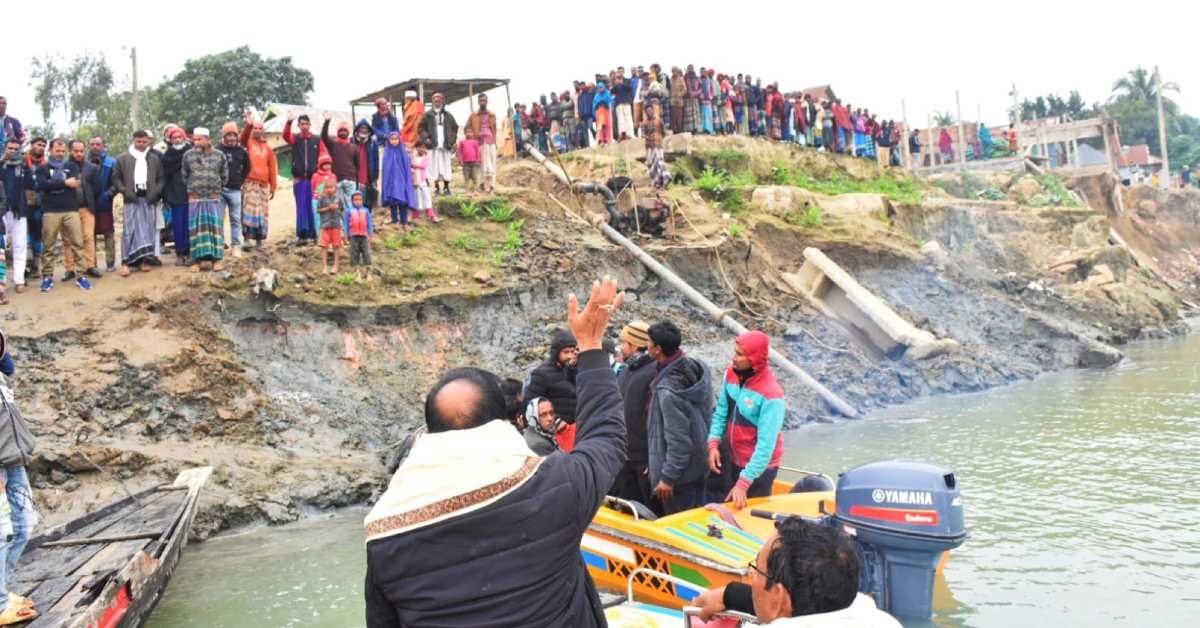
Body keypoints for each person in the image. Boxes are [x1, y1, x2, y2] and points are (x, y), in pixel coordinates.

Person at [363, 276, 626, 628]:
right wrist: (592, 345)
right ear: (505, 421)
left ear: (429, 433)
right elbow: (606, 437)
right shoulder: (553, 489)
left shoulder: (385, 535)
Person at [691, 517, 901, 627]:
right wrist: (731, 595)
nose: (752, 579)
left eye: (756, 570)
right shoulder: (883, 622)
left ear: (779, 597)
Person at [707, 331, 786, 509]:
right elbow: (721, 412)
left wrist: (743, 483)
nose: (734, 358)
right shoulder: (731, 374)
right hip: (734, 459)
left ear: (755, 359)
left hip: (760, 469)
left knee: (751, 514)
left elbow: (766, 447)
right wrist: (713, 444)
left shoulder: (772, 395)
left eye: (740, 354)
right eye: (735, 352)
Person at [645, 321, 712, 515]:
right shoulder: (698, 369)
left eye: (649, 342)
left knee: (681, 525)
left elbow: (679, 441)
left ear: (658, 349)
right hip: (700, 463)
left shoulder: (668, 391)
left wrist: (667, 477)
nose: (646, 345)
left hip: (679, 479)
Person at [0, 329, 41, 624]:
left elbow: (9, 368)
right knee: (2, 533)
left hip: (13, 459)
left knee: (25, 525)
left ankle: (2, 591)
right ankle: (0, 605)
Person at [33, 139, 88, 291]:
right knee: (49, 246)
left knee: (78, 243)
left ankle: (81, 276)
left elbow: (75, 183)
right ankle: (47, 277)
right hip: (50, 211)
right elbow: (42, 185)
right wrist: (64, 183)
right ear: (50, 151)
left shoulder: (72, 166)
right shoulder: (42, 168)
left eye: (63, 151)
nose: (60, 154)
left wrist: (54, 184)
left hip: (71, 209)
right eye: (57, 151)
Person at [612, 321, 655, 505]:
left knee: (649, 507)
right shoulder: (627, 370)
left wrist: (653, 459)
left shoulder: (653, 372)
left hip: (644, 460)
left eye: (623, 342)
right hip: (626, 455)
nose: (619, 347)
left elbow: (655, 421)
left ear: (635, 345)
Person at [112, 130, 164, 275]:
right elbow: (116, 178)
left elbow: (161, 178)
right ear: (133, 140)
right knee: (130, 230)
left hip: (149, 199)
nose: (141, 144)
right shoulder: (122, 158)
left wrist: (156, 192)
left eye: (144, 142)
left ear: (148, 142)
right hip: (131, 200)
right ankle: (125, 263)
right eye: (138, 142)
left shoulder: (154, 158)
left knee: (148, 230)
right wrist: (124, 190)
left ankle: (144, 261)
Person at [181, 127, 228, 273]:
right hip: (195, 198)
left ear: (208, 140)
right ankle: (196, 260)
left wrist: (216, 190)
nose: (196, 142)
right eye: (194, 139)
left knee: (215, 229)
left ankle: (216, 260)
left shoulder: (219, 155)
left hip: (213, 198)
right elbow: (184, 175)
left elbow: (225, 175)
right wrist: (192, 190)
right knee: (196, 229)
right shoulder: (188, 155)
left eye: (199, 139)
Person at [238, 112, 278, 253]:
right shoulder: (247, 144)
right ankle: (247, 240)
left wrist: (273, 186)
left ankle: (259, 241)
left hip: (262, 186)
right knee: (248, 212)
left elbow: (272, 168)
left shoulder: (268, 149)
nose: (258, 130)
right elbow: (242, 138)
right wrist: (248, 125)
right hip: (249, 183)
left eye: (260, 128)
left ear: (264, 131)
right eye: (255, 128)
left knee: (261, 215)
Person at [65, 140, 102, 279]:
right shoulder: (64, 167)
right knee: (69, 239)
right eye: (76, 151)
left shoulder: (91, 167)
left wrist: (89, 199)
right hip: (69, 209)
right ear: (70, 151)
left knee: (88, 237)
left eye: (81, 151)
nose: (79, 154)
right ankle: (70, 268)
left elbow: (97, 188)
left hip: (87, 208)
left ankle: (90, 266)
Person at [283, 111, 322, 244]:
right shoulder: (295, 139)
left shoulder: (317, 140)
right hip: (299, 180)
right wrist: (289, 121)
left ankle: (314, 233)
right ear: (298, 126)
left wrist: (323, 176)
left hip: (314, 181)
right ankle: (301, 235)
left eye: (306, 123)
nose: (304, 126)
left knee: (314, 206)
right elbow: (285, 135)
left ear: (309, 125)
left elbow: (323, 157)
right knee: (301, 207)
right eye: (302, 124)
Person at [526, 329, 579, 426]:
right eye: (566, 352)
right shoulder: (542, 373)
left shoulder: (571, 369)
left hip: (573, 429)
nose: (570, 356)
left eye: (572, 351)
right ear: (556, 352)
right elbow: (531, 404)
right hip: (554, 430)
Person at [1, 139, 30, 292]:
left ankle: (19, 280)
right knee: (1, 248)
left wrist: (27, 165)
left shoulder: (23, 165)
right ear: (5, 148)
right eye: (10, 148)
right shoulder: (2, 164)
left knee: (20, 245)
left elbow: (31, 183)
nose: (12, 151)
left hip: (19, 210)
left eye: (15, 149)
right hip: (2, 211)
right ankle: (1, 282)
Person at [216, 123, 249, 258]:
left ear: (237, 136)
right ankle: (219, 245)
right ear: (224, 136)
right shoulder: (217, 150)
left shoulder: (242, 151)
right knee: (218, 219)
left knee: (235, 219)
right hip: (220, 190)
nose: (231, 138)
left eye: (233, 135)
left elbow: (247, 168)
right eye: (228, 135)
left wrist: (240, 182)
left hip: (235, 190)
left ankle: (236, 246)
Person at [87, 137, 118, 271]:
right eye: (92, 144)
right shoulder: (84, 163)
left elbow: (116, 183)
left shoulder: (112, 162)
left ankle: (110, 263)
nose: (95, 146)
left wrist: (107, 195)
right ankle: (91, 264)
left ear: (104, 146)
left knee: (109, 234)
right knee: (89, 235)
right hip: (88, 205)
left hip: (105, 205)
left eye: (98, 144)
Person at [321, 113, 360, 216]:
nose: (343, 131)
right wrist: (327, 121)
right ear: (338, 132)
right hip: (336, 180)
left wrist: (357, 181)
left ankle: (350, 225)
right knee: (338, 205)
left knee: (351, 204)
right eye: (341, 130)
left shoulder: (354, 148)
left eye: (345, 130)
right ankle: (341, 227)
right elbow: (324, 137)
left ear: (348, 132)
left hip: (350, 181)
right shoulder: (333, 144)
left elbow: (357, 166)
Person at [419, 93, 458, 196]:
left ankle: (446, 188)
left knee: (446, 166)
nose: (437, 103)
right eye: (435, 101)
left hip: (445, 145)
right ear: (432, 102)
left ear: (443, 102)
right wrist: (426, 137)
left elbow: (455, 128)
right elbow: (421, 128)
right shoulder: (427, 115)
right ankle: (436, 188)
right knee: (433, 167)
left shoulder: (448, 115)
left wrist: (452, 140)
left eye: (439, 101)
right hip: (433, 145)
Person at [161, 127, 191, 264]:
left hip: (191, 194)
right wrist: (166, 196)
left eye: (179, 137)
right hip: (175, 194)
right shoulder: (168, 155)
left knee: (191, 224)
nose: (177, 140)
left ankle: (191, 252)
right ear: (170, 140)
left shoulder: (191, 152)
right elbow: (165, 176)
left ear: (184, 137)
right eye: (174, 138)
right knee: (178, 225)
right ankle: (180, 253)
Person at [380, 132, 415, 229]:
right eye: (392, 139)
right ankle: (395, 221)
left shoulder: (403, 152)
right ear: (389, 140)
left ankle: (404, 222)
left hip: (401, 182)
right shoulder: (387, 153)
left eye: (396, 139)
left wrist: (406, 181)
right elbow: (385, 170)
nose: (394, 141)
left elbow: (407, 169)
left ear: (399, 140)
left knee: (403, 202)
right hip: (391, 182)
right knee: (393, 203)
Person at [23, 137, 47, 279]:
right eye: (38, 144)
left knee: (37, 234)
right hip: (23, 204)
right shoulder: (22, 161)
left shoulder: (46, 164)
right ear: (32, 145)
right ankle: (25, 265)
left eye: (44, 145)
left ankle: (36, 267)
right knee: (24, 236)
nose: (41, 147)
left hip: (40, 204)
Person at [466, 94, 498, 193]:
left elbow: (495, 129)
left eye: (484, 100)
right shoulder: (473, 115)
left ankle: (491, 186)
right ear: (478, 102)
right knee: (481, 164)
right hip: (479, 142)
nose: (483, 102)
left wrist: (495, 141)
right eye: (481, 100)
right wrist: (472, 137)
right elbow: (467, 128)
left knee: (492, 164)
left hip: (490, 141)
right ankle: (482, 186)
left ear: (487, 101)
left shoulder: (492, 115)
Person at [344, 190, 374, 283]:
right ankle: (357, 273)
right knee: (354, 254)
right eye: (356, 199)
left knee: (367, 253)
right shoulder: (349, 211)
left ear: (362, 200)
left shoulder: (366, 210)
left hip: (364, 235)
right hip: (354, 235)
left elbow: (369, 223)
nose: (358, 201)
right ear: (352, 200)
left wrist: (370, 233)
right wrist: (346, 235)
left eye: (360, 199)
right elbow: (346, 224)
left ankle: (368, 273)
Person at [642, 95, 670, 190]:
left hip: (658, 145)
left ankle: (665, 179)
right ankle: (656, 183)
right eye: (647, 111)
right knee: (650, 164)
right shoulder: (644, 123)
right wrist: (648, 138)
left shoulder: (659, 120)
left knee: (659, 163)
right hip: (649, 146)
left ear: (653, 110)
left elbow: (663, 133)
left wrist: (658, 139)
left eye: (650, 110)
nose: (649, 112)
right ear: (646, 112)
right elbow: (644, 134)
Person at [315, 182, 343, 275]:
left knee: (336, 246)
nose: (329, 189)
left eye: (331, 187)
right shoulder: (322, 198)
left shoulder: (339, 198)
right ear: (324, 189)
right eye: (327, 187)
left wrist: (343, 224)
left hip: (336, 225)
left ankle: (336, 266)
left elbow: (342, 210)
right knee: (324, 246)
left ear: (335, 188)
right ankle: (324, 267)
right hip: (325, 226)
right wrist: (328, 208)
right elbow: (318, 210)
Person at [351, 119, 379, 208]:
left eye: (366, 128)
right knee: (355, 204)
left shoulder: (372, 144)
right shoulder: (351, 142)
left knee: (368, 204)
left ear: (369, 130)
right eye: (361, 128)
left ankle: (367, 221)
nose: (363, 130)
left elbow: (376, 160)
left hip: (368, 178)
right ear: (357, 129)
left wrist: (375, 177)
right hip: (354, 178)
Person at [410, 142, 439, 223]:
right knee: (415, 197)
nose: (422, 149)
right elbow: (409, 166)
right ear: (416, 148)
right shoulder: (413, 157)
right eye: (420, 147)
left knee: (426, 196)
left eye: (424, 147)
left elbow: (423, 166)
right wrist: (412, 168)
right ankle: (415, 214)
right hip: (414, 180)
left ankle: (431, 214)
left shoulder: (426, 157)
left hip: (422, 181)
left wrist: (414, 166)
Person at [457, 127, 481, 195]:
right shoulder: (462, 142)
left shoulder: (475, 142)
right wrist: (460, 160)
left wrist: (478, 160)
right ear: (464, 133)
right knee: (466, 177)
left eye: (470, 132)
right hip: (465, 163)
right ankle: (467, 191)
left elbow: (477, 152)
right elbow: (460, 152)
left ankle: (474, 190)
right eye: (467, 132)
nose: (469, 134)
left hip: (474, 162)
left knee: (474, 178)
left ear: (473, 134)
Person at [592, 81, 613, 146]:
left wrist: (606, 104)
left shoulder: (607, 93)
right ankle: (601, 140)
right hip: (599, 112)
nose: (600, 89)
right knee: (600, 127)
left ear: (604, 87)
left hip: (607, 111)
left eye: (601, 87)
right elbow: (594, 105)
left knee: (607, 126)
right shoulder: (596, 96)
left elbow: (610, 102)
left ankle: (608, 140)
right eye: (599, 88)